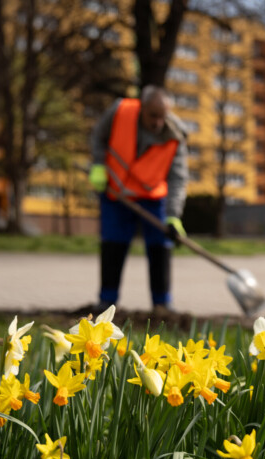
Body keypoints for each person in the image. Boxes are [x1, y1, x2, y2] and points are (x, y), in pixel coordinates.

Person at [88, 86, 189, 311]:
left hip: (152, 198)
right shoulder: (120, 111)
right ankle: (107, 302)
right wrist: (97, 165)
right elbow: (98, 137)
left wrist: (173, 216)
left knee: (160, 246)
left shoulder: (175, 136)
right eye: (153, 115)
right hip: (117, 193)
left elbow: (178, 179)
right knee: (113, 244)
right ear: (142, 108)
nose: (158, 122)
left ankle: (162, 305)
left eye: (163, 117)